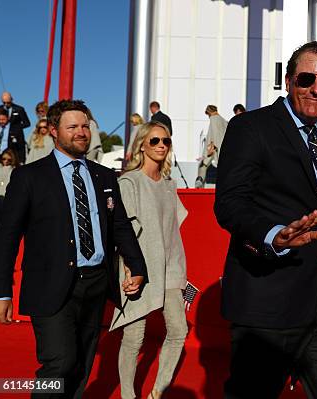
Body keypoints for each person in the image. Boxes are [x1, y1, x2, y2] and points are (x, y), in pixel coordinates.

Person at [214, 41, 317, 399]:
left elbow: (313, 206)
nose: (316, 89)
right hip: (268, 298)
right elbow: (231, 203)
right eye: (307, 79)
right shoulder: (251, 127)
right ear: (288, 80)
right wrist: (273, 235)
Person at [0, 99, 148, 399]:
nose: (81, 132)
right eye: (72, 127)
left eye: (85, 126)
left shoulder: (104, 176)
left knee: (80, 366)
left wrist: (138, 267)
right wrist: (1, 291)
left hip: (95, 284)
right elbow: (7, 238)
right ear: (53, 130)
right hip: (49, 285)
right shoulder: (29, 177)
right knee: (60, 362)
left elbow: (120, 226)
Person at [110, 121, 188, 399]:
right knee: (134, 338)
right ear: (142, 144)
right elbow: (123, 232)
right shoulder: (129, 182)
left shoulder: (169, 184)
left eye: (166, 141)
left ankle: (157, 392)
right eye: (155, 140)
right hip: (139, 268)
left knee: (179, 331)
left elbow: (172, 231)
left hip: (170, 267)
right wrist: (131, 269)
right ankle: (128, 396)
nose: (161, 146)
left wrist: (180, 272)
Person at [195, 105, 228, 187]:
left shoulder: (213, 119)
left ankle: (199, 185)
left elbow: (213, 135)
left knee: (202, 166)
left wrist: (209, 150)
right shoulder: (224, 120)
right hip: (223, 149)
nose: (208, 116)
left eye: (207, 114)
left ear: (209, 112)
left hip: (214, 148)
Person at [0, 149, 18, 224]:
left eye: (9, 160)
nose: (6, 161)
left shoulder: (14, 170)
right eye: (4, 159)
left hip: (5, 198)